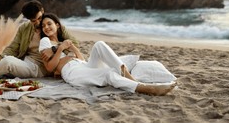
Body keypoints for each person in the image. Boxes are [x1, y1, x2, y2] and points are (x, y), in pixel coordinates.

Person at [38, 13, 177, 96]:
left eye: (49, 24)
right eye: (43, 26)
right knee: (108, 74)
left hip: (83, 65)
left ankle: (128, 76)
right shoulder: (45, 42)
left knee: (99, 44)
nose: (46, 27)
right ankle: (145, 88)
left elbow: (81, 59)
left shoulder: (63, 42)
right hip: (71, 72)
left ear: (57, 24)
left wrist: (71, 46)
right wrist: (61, 48)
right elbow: (50, 68)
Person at [0, 0, 79, 80]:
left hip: (39, 68)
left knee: (7, 62)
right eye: (33, 21)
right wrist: (1, 56)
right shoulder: (24, 28)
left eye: (39, 18)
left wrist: (54, 49)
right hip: (24, 62)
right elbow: (13, 47)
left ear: (42, 10)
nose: (38, 23)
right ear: (28, 20)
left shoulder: (51, 25)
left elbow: (73, 43)